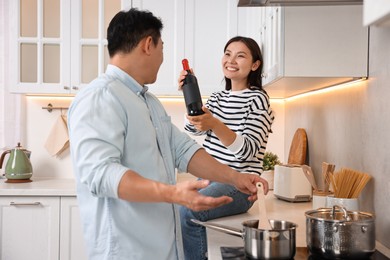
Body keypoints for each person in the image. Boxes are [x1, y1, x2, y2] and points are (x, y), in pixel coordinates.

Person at [68, 9, 268, 260]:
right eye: (162, 48)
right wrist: (174, 194)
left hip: (160, 249)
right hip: (126, 251)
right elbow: (100, 174)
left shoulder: (148, 102)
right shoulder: (101, 96)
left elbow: (184, 150)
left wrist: (236, 178)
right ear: (148, 45)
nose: (163, 58)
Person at [178, 36, 275, 260]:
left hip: (239, 185)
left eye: (240, 55)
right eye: (228, 54)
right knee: (174, 205)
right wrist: (189, 96)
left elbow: (246, 151)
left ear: (254, 65)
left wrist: (214, 123)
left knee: (189, 210)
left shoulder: (257, 99)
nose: (231, 60)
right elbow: (193, 130)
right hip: (211, 179)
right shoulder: (218, 98)